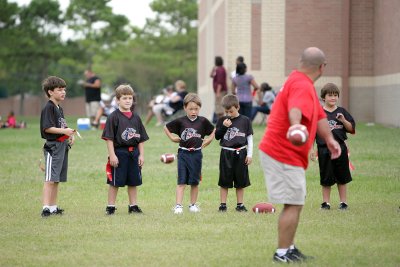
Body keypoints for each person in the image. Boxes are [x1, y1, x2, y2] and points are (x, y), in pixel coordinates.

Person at [258, 47, 341, 263]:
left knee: (295, 201)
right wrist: (296, 126)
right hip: (281, 153)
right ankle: (283, 253)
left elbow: (320, 116)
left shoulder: (300, 81)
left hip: (286, 154)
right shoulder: (302, 85)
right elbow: (295, 108)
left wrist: (330, 139)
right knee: (293, 203)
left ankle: (290, 247)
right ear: (322, 67)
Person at [101, 84, 149, 215]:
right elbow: (109, 138)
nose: (128, 101)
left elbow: (141, 139)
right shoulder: (113, 117)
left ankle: (133, 206)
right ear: (117, 100)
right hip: (119, 152)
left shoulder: (136, 117)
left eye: (130, 98)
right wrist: (112, 155)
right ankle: (110, 207)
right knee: (115, 182)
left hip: (134, 153)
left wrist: (141, 155)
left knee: (133, 181)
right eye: (124, 98)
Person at [164, 93, 215, 214]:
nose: (193, 111)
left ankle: (192, 205)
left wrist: (209, 139)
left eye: (196, 109)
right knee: (181, 181)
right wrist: (172, 138)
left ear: (199, 109)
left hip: (196, 154)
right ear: (185, 108)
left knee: (194, 182)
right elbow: (166, 127)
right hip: (183, 154)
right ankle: (178, 206)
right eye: (191, 109)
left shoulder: (203, 121)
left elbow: (213, 130)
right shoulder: (181, 121)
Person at [315, 83, 356, 210]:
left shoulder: (342, 111)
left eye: (335, 95)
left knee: (342, 177)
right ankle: (326, 203)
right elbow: (312, 131)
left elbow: (351, 129)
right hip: (324, 149)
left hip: (340, 148)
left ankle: (343, 202)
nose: (333, 98)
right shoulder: (319, 112)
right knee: (326, 176)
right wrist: (312, 149)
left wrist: (343, 120)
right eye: (330, 95)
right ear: (323, 97)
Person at [40, 76, 76, 217]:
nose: (63, 92)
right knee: (50, 179)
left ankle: (53, 207)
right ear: (50, 92)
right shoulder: (48, 108)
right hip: (53, 147)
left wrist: (69, 134)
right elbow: (47, 128)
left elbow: (62, 126)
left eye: (64, 90)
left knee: (56, 179)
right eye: (59, 90)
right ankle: (45, 208)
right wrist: (64, 131)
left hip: (62, 145)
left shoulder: (59, 108)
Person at [215, 94, 253, 212]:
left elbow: (249, 138)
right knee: (224, 181)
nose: (229, 114)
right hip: (226, 153)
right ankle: (223, 205)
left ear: (238, 107)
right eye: (226, 111)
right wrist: (224, 127)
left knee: (240, 181)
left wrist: (250, 154)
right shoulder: (222, 120)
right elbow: (217, 136)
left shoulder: (245, 120)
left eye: (231, 111)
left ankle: (240, 205)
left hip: (241, 153)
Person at [210, 56, 228, 121]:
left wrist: (218, 92)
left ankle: (221, 120)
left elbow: (220, 82)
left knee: (219, 106)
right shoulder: (218, 69)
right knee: (218, 105)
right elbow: (211, 75)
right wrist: (213, 68)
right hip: (219, 91)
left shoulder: (220, 70)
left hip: (220, 91)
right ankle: (220, 120)